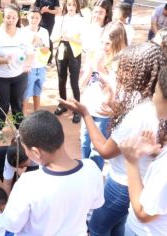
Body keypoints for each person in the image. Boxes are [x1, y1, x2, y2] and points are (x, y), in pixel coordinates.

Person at [60, 42, 166, 236]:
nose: (120, 75)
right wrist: (115, 107)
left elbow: (105, 150)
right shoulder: (154, 107)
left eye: (125, 70)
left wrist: (85, 114)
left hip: (122, 185)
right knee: (117, 227)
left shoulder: (138, 114)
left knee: (96, 228)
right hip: (141, 184)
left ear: (139, 72)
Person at [3, 110, 104, 235]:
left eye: (25, 149)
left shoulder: (27, 184)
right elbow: (94, 206)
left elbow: (10, 227)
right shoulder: (92, 168)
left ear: (36, 152)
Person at [121, 67, 167, 235]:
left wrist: (131, 162)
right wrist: (157, 154)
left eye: (155, 92)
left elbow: (143, 213)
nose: (153, 97)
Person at [80, 21, 128, 170]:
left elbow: (120, 89)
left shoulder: (124, 61)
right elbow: (84, 81)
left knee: (97, 149)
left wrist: (100, 69)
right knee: (84, 143)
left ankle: (93, 179)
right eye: (102, 42)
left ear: (118, 42)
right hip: (88, 107)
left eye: (108, 43)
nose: (104, 47)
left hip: (104, 112)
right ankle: (84, 174)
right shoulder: (98, 54)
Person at [0, 3, 33, 144]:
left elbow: (30, 53)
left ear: (18, 18)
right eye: (8, 17)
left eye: (14, 17)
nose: (11, 20)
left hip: (20, 76)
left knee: (17, 104)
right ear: (3, 17)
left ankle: (19, 130)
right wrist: (4, 60)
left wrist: (27, 63)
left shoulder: (23, 34)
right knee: (2, 104)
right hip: (1, 77)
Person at [51, 0, 85, 123]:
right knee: (61, 79)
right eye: (69, 4)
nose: (71, 7)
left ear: (77, 6)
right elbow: (53, 37)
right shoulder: (60, 19)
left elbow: (84, 39)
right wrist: (60, 35)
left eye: (74, 5)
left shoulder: (81, 20)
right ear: (65, 6)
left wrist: (70, 38)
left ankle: (77, 109)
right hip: (61, 48)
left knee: (74, 81)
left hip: (75, 51)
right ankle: (63, 105)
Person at [22, 8, 50, 116]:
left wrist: (39, 43)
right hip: (29, 67)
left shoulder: (44, 31)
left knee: (37, 92)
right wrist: (32, 43)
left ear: (40, 18)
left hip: (41, 67)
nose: (34, 20)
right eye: (32, 17)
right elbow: (22, 50)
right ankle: (23, 119)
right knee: (26, 94)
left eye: (37, 17)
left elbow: (46, 50)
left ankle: (37, 116)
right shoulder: (23, 31)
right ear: (28, 17)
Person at [34, 0, 60, 65]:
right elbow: (35, 9)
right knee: (39, 38)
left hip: (49, 22)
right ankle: (39, 56)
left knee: (47, 38)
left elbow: (57, 11)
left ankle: (48, 60)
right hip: (39, 21)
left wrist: (48, 10)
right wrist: (41, 11)